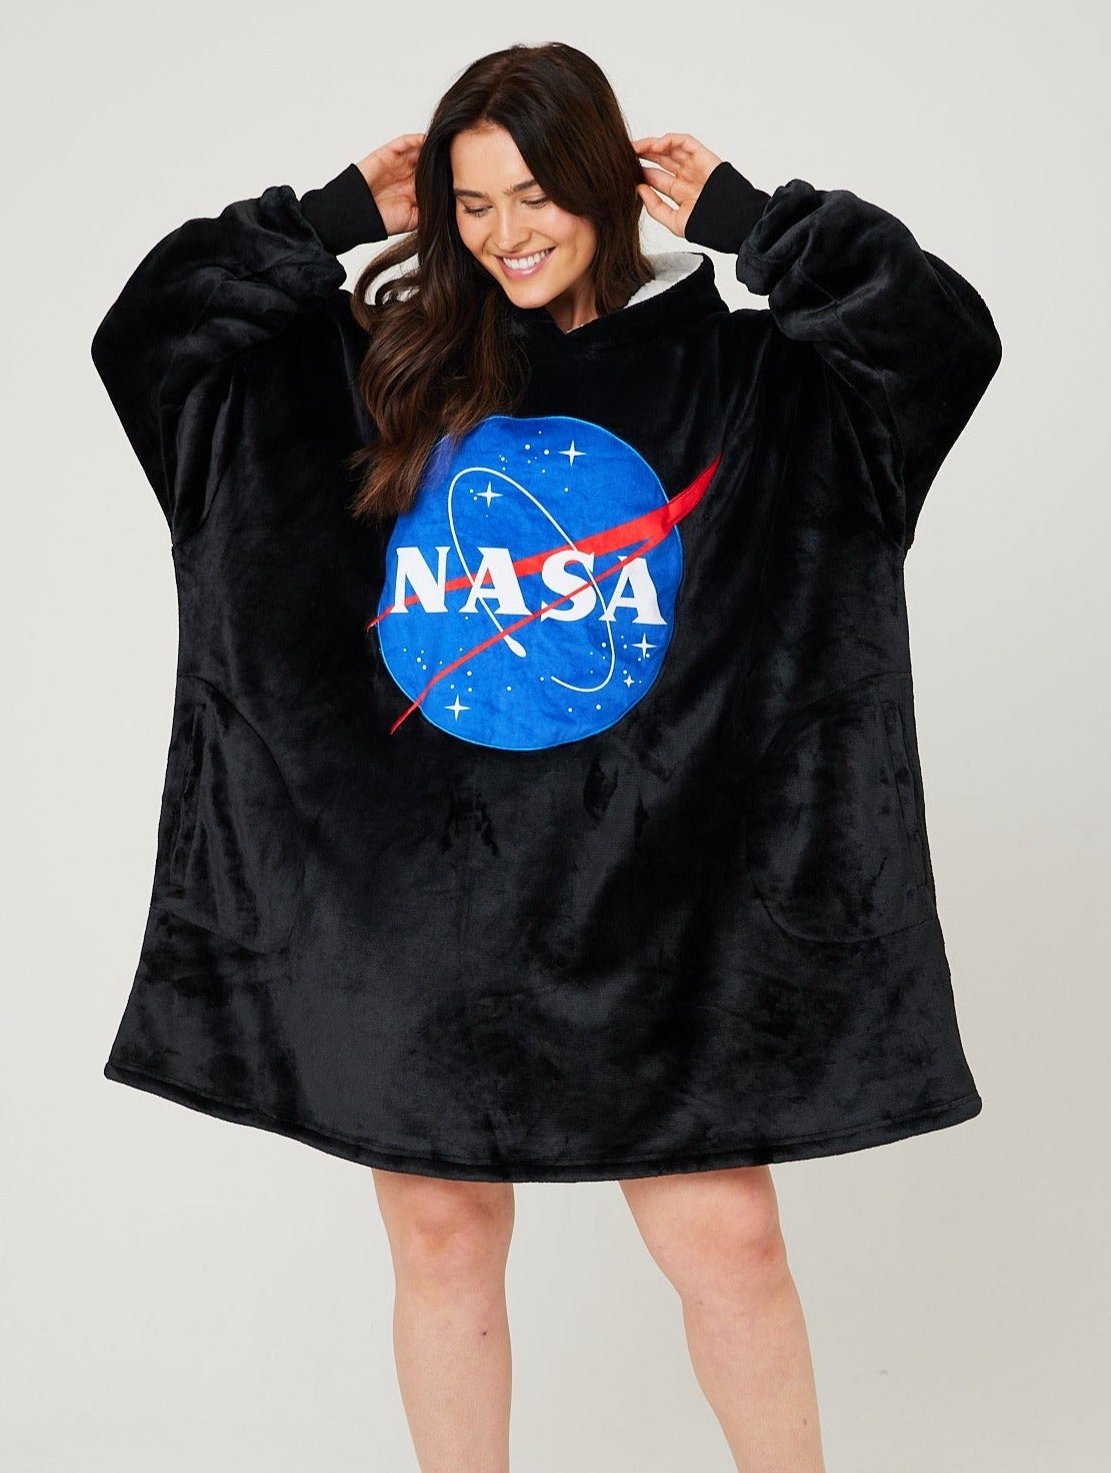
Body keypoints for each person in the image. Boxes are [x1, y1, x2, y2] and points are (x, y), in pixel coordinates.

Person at [91, 39, 1001, 1473]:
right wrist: (322, 220)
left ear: (605, 185)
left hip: (662, 903)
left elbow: (939, 341)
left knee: (727, 1235)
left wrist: (761, 225)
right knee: (442, 1231)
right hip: (417, 911)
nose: (506, 233)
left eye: (536, 195)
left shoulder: (743, 381)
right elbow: (149, 338)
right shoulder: (376, 370)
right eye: (471, 203)